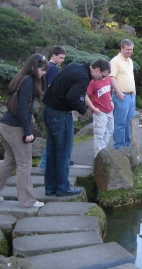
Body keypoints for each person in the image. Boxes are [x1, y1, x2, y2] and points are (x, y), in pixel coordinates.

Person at [0, 54, 48, 208]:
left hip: (5, 125)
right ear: (33, 68)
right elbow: (21, 108)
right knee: (25, 163)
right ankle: (27, 201)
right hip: (14, 127)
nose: (44, 73)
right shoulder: (28, 82)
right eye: (42, 69)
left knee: (9, 161)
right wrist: (27, 131)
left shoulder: (21, 77)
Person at [42, 62, 93, 197]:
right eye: (102, 76)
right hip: (60, 114)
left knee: (52, 151)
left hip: (48, 110)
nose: (99, 80)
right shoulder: (84, 78)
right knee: (63, 152)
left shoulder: (74, 66)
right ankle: (63, 187)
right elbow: (71, 97)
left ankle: (50, 187)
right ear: (97, 70)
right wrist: (82, 110)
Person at [39, 46, 66, 170]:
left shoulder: (45, 68)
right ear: (53, 55)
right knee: (55, 139)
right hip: (53, 104)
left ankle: (45, 162)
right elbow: (52, 86)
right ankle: (46, 163)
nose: (62, 61)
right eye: (60, 57)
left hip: (46, 102)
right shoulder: (53, 68)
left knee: (51, 138)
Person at [110, 39, 136, 149]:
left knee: (128, 122)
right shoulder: (115, 61)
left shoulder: (130, 61)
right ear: (122, 48)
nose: (129, 51)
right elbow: (111, 77)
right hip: (121, 96)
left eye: (131, 49)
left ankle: (127, 145)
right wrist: (119, 92)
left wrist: (134, 91)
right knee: (120, 123)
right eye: (127, 49)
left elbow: (131, 76)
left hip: (131, 96)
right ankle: (119, 146)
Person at [85, 59, 113, 158]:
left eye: (107, 75)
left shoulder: (108, 79)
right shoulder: (93, 81)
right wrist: (93, 108)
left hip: (109, 110)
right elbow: (86, 96)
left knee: (109, 130)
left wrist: (111, 101)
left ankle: (103, 151)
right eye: (104, 75)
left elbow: (109, 92)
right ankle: (98, 157)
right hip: (99, 111)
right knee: (99, 134)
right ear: (98, 71)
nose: (105, 77)